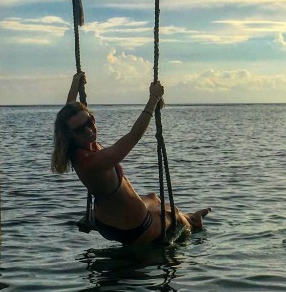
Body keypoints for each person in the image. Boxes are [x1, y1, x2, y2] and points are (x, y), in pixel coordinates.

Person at [52, 72, 210, 246]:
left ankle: (189, 216)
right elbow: (134, 136)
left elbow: (69, 112)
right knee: (175, 217)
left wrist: (75, 84)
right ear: (70, 135)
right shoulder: (92, 161)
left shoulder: (76, 146)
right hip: (136, 228)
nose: (89, 130)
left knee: (154, 198)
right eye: (81, 129)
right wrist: (154, 98)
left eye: (90, 122)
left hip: (109, 220)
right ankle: (193, 221)